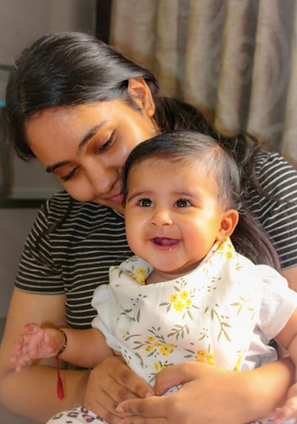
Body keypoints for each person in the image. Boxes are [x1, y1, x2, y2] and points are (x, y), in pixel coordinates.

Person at [0, 31, 297, 424]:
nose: (101, 182)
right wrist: (87, 389)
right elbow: (10, 379)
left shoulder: (264, 185)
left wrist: (256, 392)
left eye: (105, 143)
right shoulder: (63, 226)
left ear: (140, 96)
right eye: (69, 173)